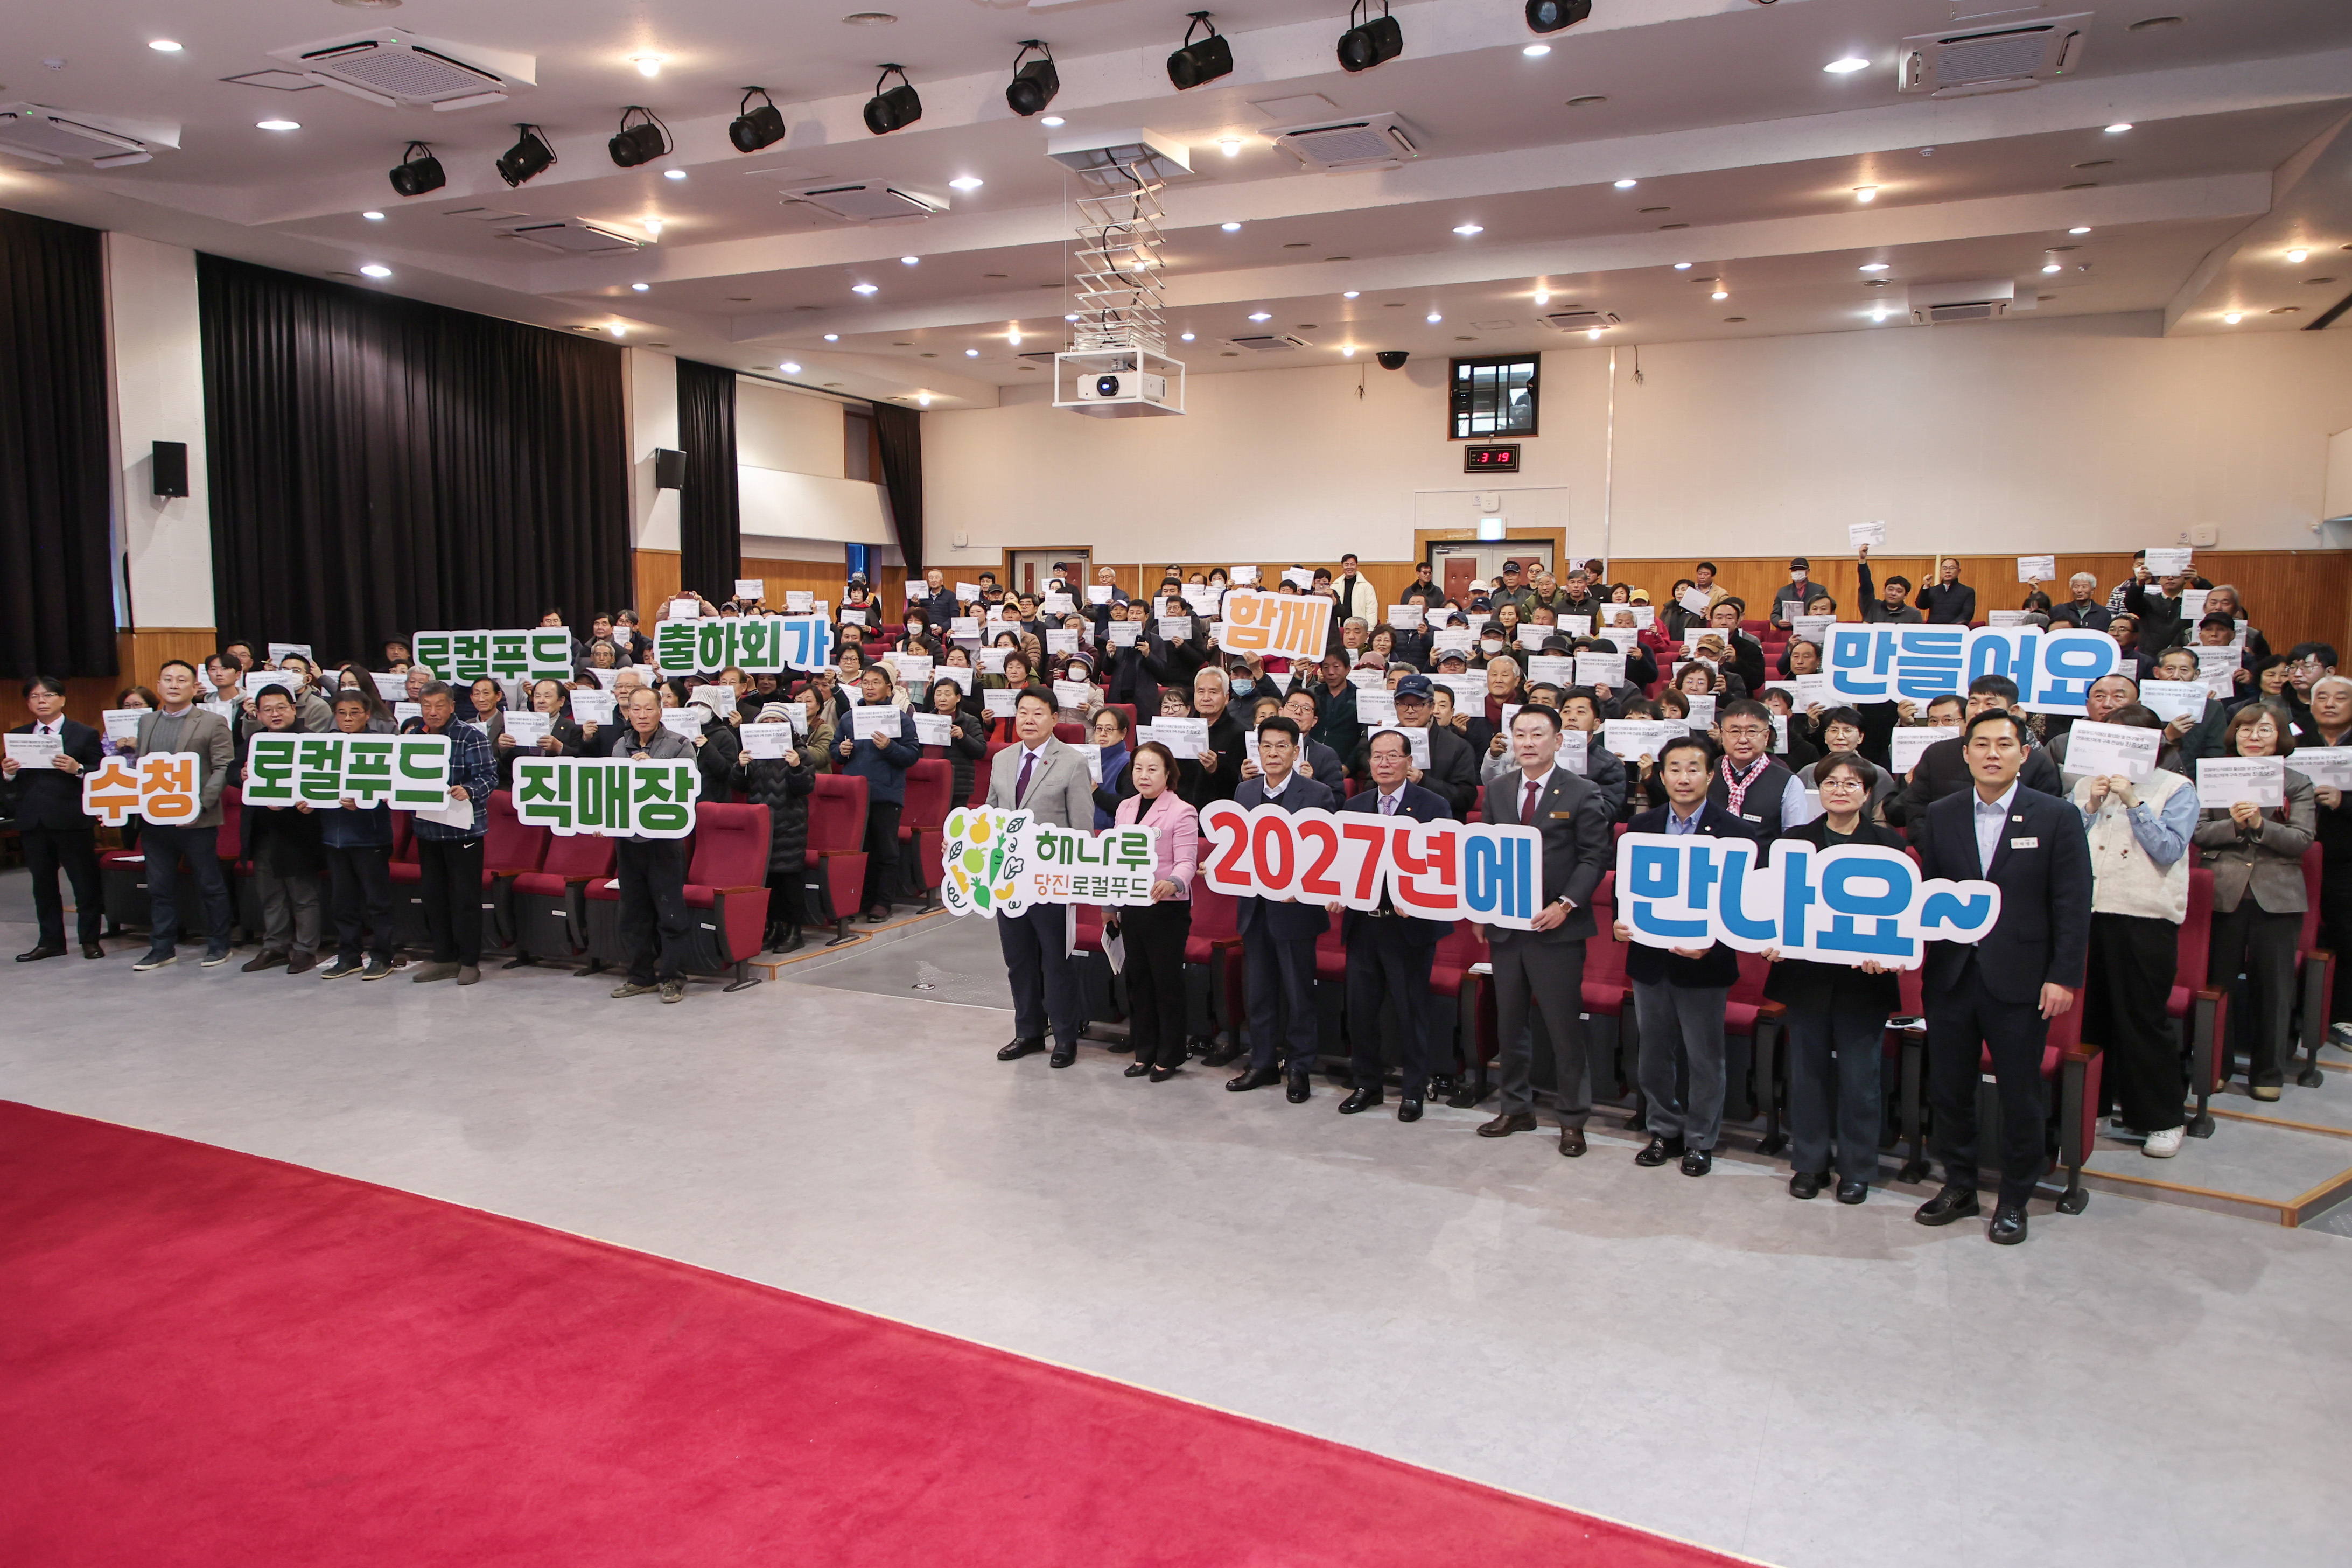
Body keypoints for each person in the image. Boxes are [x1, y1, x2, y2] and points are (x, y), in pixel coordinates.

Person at [1911, 708, 2093, 1246]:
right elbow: (1928, 892)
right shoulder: (1941, 813)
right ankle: (1960, 1184)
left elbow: (2073, 902)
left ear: (2024, 754)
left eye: (2004, 744)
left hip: (2022, 979)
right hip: (1950, 974)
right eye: (1981, 743)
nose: (1992, 753)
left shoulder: (2056, 815)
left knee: (2019, 1092)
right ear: (1965, 753)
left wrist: (2064, 976)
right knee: (1950, 1088)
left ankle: (2015, 1196)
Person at [1765, 751, 1908, 1201]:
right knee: (1806, 1075)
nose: (1840, 790)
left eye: (1851, 784)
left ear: (1867, 794)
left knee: (1860, 1080)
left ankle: (1857, 1169)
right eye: (1831, 782)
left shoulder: (1889, 846)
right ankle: (1809, 1164)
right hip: (1805, 978)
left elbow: (1900, 916)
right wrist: (1770, 939)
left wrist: (1886, 953)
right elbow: (1774, 902)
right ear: (1818, 790)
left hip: (1863, 981)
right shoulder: (1793, 840)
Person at [1619, 734, 1764, 1175]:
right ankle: (1664, 1129)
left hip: (1706, 963)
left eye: (1693, 769)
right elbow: (1626, 889)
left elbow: (1747, 905)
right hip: (1650, 959)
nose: (1684, 778)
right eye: (1675, 770)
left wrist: (1714, 941)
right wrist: (1622, 922)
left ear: (1709, 774)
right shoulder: (1641, 828)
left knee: (1705, 1057)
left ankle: (1701, 1139)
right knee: (1654, 1052)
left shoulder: (1737, 832)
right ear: (1661, 777)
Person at [1476, 706, 1612, 1153]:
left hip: (1557, 930)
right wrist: (1480, 909)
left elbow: (1594, 858)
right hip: (1507, 928)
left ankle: (1572, 1118)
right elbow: (1487, 852)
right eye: (1521, 734)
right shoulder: (1496, 790)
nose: (1529, 742)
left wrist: (1566, 904)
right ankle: (1516, 1107)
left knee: (1562, 1028)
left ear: (1558, 741)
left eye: (1538, 734)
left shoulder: (1581, 791)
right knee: (1510, 1023)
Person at [2067, 702, 2200, 1156]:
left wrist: (2133, 801)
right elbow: (2065, 839)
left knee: (2142, 1017)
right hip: (2086, 912)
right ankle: (2095, 1108)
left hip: (2144, 915)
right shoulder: (2087, 784)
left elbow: (2168, 848)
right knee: (2089, 1016)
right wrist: (2090, 803)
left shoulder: (2176, 788)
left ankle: (2162, 1118)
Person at [2194, 704, 2316, 1102]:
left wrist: (2261, 826)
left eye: (2263, 730)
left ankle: (2269, 1071)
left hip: (2277, 897)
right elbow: (2198, 833)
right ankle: (2217, 1067)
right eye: (2245, 729)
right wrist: (2233, 824)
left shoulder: (2296, 782)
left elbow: (2302, 840)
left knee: (2275, 989)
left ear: (2279, 735)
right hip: (2223, 894)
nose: (2253, 737)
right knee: (2219, 986)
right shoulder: (2216, 773)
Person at [1331, 727, 1451, 1121]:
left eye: (1392, 756)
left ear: (1408, 761)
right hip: (1364, 924)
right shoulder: (1354, 806)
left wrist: (1418, 898)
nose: (1383, 763)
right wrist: (1335, 889)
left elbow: (1442, 864)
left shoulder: (1433, 805)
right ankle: (1367, 1083)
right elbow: (1341, 862)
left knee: (1410, 1009)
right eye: (1376, 757)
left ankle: (1414, 1090)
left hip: (1408, 928)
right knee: (1362, 1010)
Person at [1225, 716, 1339, 1102]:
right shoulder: (1244, 791)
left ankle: (1300, 1068)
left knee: (1298, 993)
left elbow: (1326, 856)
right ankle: (1261, 1062)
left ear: (1296, 750)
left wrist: (1303, 888)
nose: (1272, 754)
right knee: (1259, 991)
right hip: (1254, 909)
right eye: (1266, 747)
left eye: (1281, 746)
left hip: (1295, 911)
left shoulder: (1318, 793)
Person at [991, 687, 1098, 1068]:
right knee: (1018, 960)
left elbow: (1083, 828)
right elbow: (990, 815)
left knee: (1056, 960)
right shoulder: (1002, 760)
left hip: (1051, 880)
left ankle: (1065, 1037)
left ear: (1055, 718)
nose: (1029, 720)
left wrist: (1073, 880)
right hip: (1009, 879)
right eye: (1022, 713)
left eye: (1038, 713)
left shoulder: (1071, 762)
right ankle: (1029, 1032)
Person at [128, 660, 239, 972]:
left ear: (194, 687)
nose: (174, 685)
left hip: (196, 820)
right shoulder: (147, 721)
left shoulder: (211, 721)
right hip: (155, 818)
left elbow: (223, 767)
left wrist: (201, 805)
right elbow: (142, 767)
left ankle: (219, 944)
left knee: (209, 884)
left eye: (181, 680)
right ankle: (162, 947)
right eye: (167, 679)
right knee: (159, 886)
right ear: (159, 686)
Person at [1109, 740, 1198, 1083]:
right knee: (1138, 980)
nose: (1143, 776)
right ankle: (1144, 1051)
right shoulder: (1126, 808)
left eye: (1152, 769)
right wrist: (1110, 906)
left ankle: (1169, 1055)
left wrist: (1174, 882)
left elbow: (1188, 862)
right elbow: (1115, 861)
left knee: (1166, 982)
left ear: (1168, 774)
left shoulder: (1182, 810)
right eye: (1138, 769)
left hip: (1166, 909)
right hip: (1132, 905)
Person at [3, 676, 106, 961]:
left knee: (84, 883)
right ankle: (51, 941)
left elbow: (101, 770)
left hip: (72, 819)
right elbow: (9, 781)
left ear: (62, 699)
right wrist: (8, 772)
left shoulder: (83, 734)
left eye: (47, 695)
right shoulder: (19, 736)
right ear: (28, 703)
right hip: (33, 821)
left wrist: (79, 768)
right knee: (43, 885)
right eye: (34, 697)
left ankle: (90, 940)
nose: (41, 701)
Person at [606, 685, 697, 1003]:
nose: (642, 715)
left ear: (661, 711)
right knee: (632, 913)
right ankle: (640, 976)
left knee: (670, 912)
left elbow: (689, 790)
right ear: (627, 712)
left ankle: (673, 977)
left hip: (664, 843)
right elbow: (612, 790)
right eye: (636, 709)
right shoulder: (620, 745)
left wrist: (654, 772)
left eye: (648, 709)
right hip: (628, 841)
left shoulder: (679, 745)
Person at [407, 681, 499, 985]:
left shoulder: (470, 736)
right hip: (427, 828)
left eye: (438, 706)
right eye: (426, 706)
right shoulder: (412, 737)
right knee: (433, 897)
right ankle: (443, 957)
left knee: (466, 898)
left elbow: (489, 777)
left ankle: (470, 960)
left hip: (464, 830)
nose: (432, 713)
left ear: (450, 706)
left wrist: (469, 790)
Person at [1888, 675, 2062, 828]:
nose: (1978, 710)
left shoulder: (2037, 762)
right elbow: (1916, 813)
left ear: (2013, 711)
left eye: (1989, 703)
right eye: (1973, 702)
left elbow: (2046, 817)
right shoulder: (1938, 754)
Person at [239, 687, 327, 975]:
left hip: (298, 830)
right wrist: (241, 774)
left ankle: (305, 949)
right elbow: (230, 769)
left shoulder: (311, 741)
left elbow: (325, 783)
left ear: (293, 709)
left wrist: (307, 802)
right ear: (259, 714)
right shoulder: (256, 740)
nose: (275, 714)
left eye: (280, 708)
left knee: (303, 894)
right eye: (267, 710)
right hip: (263, 831)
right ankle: (275, 945)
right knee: (271, 894)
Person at [316, 690, 399, 979]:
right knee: (342, 902)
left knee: (377, 901)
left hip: (370, 835)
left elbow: (394, 788)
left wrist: (367, 797)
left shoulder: (384, 744)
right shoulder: (324, 745)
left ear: (367, 715)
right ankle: (349, 955)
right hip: (333, 835)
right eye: (341, 713)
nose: (348, 718)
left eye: (354, 712)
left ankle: (383, 955)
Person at [835, 666, 922, 922]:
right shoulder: (849, 718)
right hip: (854, 796)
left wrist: (889, 748)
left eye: (876, 683)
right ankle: (858, 899)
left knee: (885, 851)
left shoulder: (901, 719)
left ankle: (882, 902)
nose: (870, 687)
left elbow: (912, 756)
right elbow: (834, 752)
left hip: (886, 794)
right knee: (858, 851)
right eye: (866, 683)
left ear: (889, 688)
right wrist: (841, 750)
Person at [735, 699, 818, 953]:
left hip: (789, 825)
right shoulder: (753, 753)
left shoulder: (800, 753)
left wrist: (795, 767)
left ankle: (794, 931)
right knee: (767, 880)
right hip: (760, 826)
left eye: (777, 722)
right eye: (766, 722)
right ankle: (773, 928)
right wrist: (740, 767)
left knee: (790, 881)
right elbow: (738, 786)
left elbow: (806, 787)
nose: (771, 726)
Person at [1711, 699, 1815, 835]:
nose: (1743, 740)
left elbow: (1794, 839)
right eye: (1735, 731)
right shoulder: (1706, 772)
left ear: (1766, 736)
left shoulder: (1788, 782)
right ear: (1722, 735)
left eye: (1752, 732)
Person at [1856, 545, 1921, 625]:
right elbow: (1866, 585)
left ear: (1906, 595)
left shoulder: (1914, 614)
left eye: (1899, 591)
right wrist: (1862, 560)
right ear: (1884, 590)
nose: (1893, 594)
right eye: (1890, 589)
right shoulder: (1871, 606)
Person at [1917, 558, 1976, 624]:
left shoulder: (1967, 591)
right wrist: (1926, 586)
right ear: (1940, 571)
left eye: (1952, 568)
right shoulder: (1933, 590)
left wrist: (1949, 628)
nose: (1948, 571)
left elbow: (1967, 614)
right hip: (1934, 629)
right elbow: (1921, 605)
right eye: (1945, 568)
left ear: (1959, 571)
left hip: (1955, 630)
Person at [2049, 573, 2113, 631]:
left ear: (2092, 590)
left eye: (2084, 587)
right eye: (2076, 587)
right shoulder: (2059, 610)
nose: (2079, 590)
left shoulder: (2103, 613)